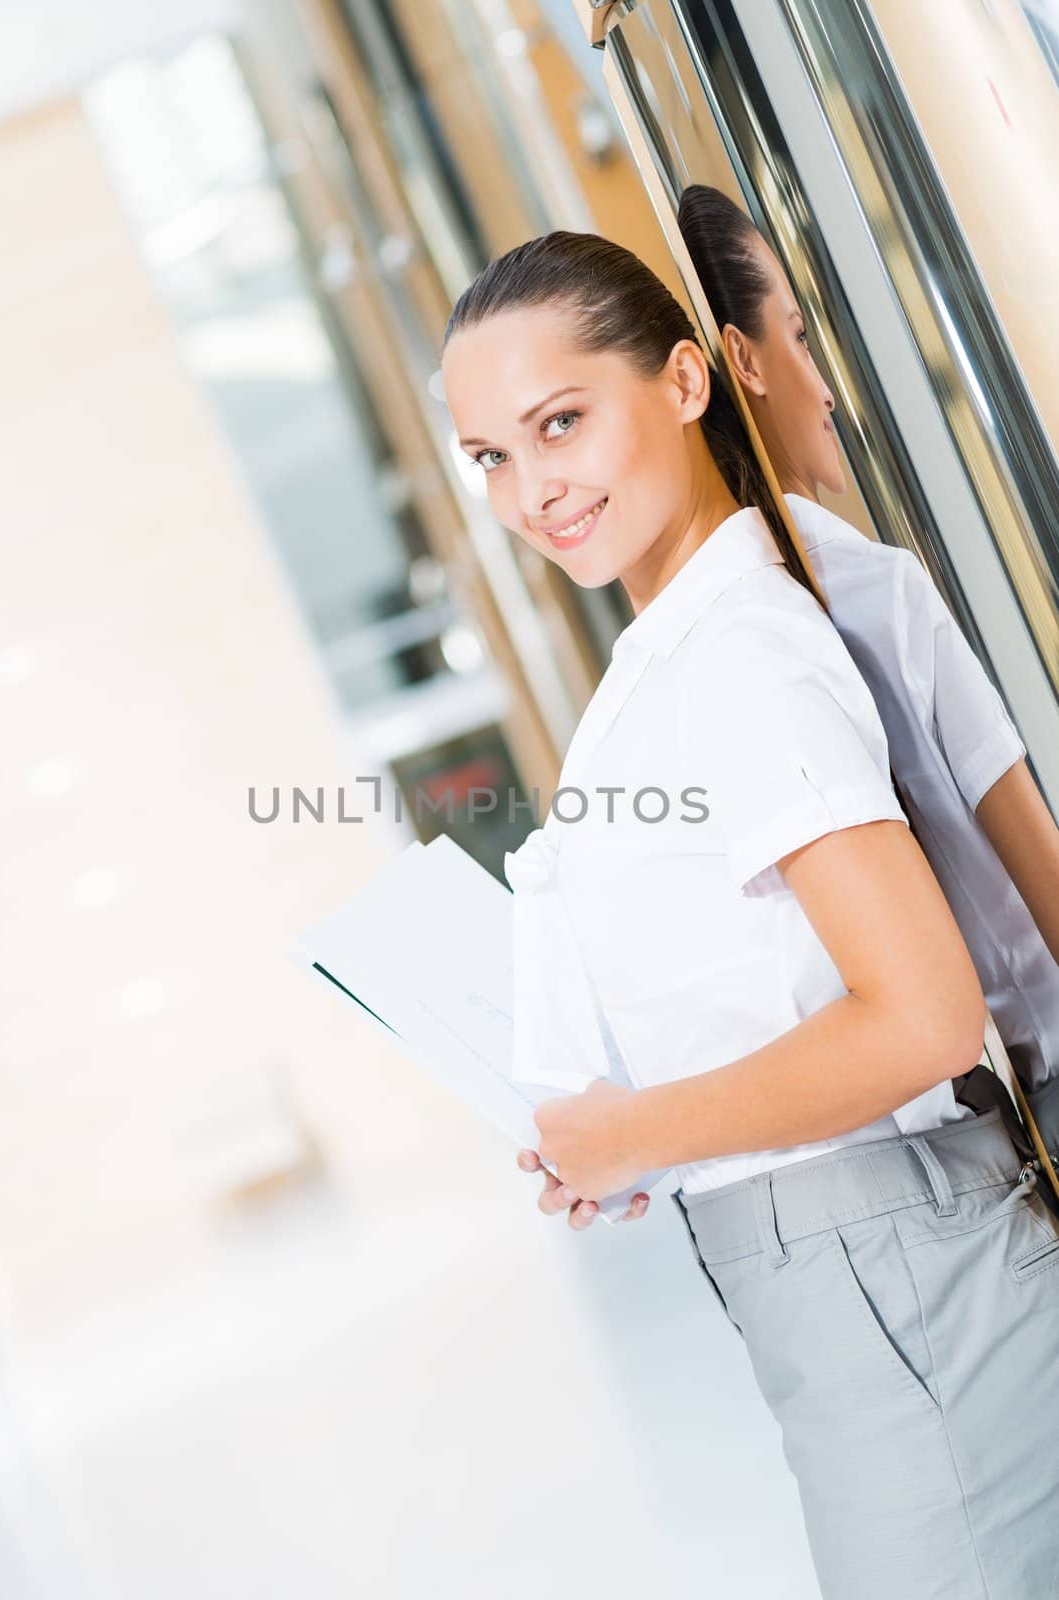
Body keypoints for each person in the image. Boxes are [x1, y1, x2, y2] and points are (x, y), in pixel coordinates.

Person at [439, 229, 1059, 1599]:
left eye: (559, 424)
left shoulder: (739, 650)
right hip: (842, 1271)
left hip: (892, 1279)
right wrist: (622, 1137)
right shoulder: (683, 646)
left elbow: (922, 1010)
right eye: (491, 457)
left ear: (681, 383)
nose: (533, 489)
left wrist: (630, 1133)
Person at [676, 180, 1059, 1175]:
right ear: (742, 361)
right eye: (798, 337)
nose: (828, 385)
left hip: (948, 1141)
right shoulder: (874, 591)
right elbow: (1042, 875)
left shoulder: (721, 628)